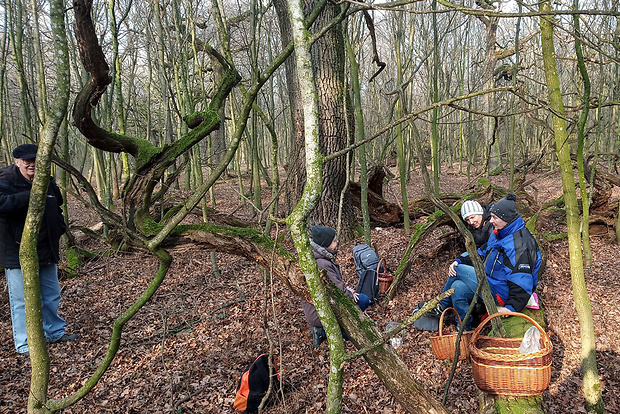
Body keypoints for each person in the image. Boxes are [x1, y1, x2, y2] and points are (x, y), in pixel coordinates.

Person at [0, 143, 78, 356]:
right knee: (21, 300)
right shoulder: (6, 180)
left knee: (51, 295)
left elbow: (58, 205)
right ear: (17, 162)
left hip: (46, 249)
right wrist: (32, 195)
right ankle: (25, 344)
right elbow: (3, 205)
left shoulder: (47, 182)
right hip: (17, 254)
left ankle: (54, 332)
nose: (32, 164)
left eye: (35, 159)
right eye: (27, 160)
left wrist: (59, 226)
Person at [421, 193, 541, 330]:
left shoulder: (519, 244)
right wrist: (460, 259)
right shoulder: (500, 234)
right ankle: (465, 330)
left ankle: (441, 307)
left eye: (494, 217)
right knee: (457, 288)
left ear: (505, 218)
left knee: (459, 270)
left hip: (502, 292)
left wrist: (511, 307)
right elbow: (481, 252)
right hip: (491, 281)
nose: (491, 220)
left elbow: (522, 279)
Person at [301, 225, 370, 348]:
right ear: (325, 244)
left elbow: (332, 285)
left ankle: (346, 326)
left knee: (356, 317)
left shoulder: (321, 257)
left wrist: (346, 289)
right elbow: (337, 290)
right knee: (363, 300)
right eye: (334, 240)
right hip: (317, 312)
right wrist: (349, 294)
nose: (337, 241)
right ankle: (321, 332)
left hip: (323, 305)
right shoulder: (322, 263)